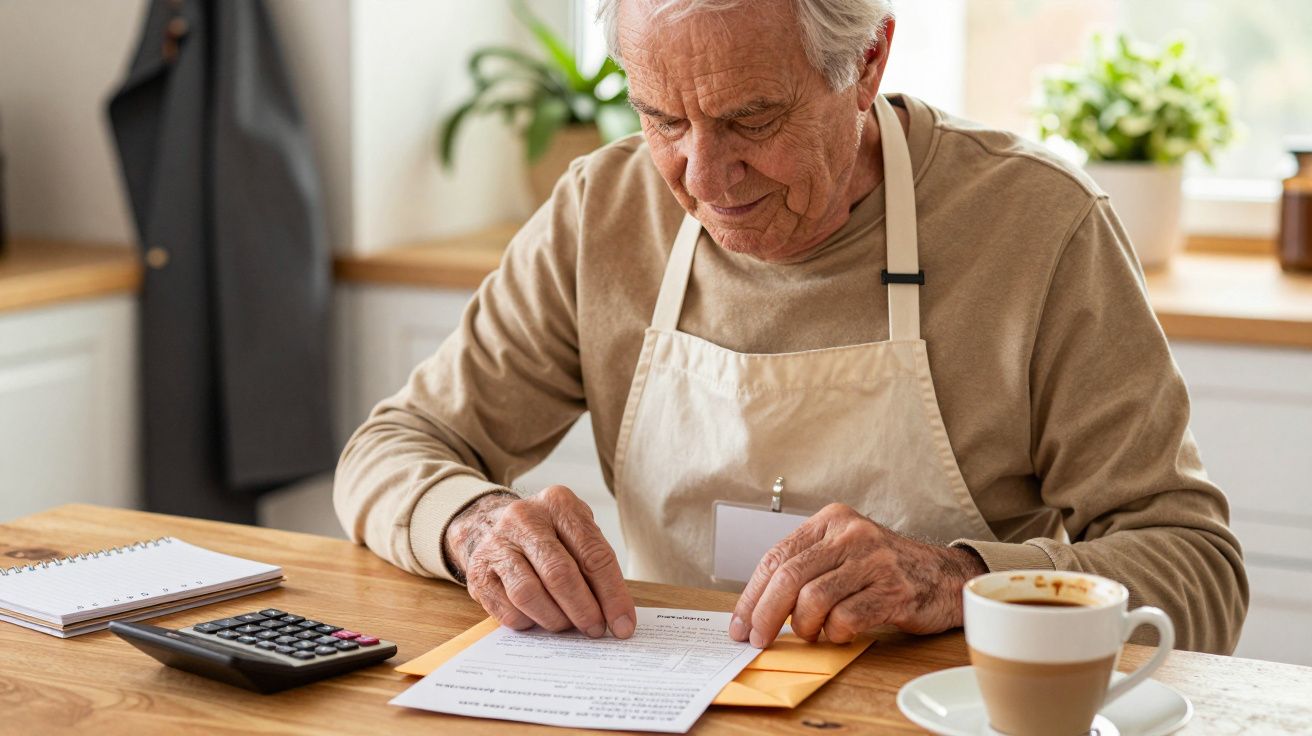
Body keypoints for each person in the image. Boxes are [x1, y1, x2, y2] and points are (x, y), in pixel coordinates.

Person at [335, 0, 1247, 653]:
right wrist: (479, 524)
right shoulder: (602, 211)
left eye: (752, 119)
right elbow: (393, 445)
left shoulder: (1038, 226)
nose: (704, 178)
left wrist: (957, 581)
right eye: (662, 119)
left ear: (868, 64)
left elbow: (1198, 569)